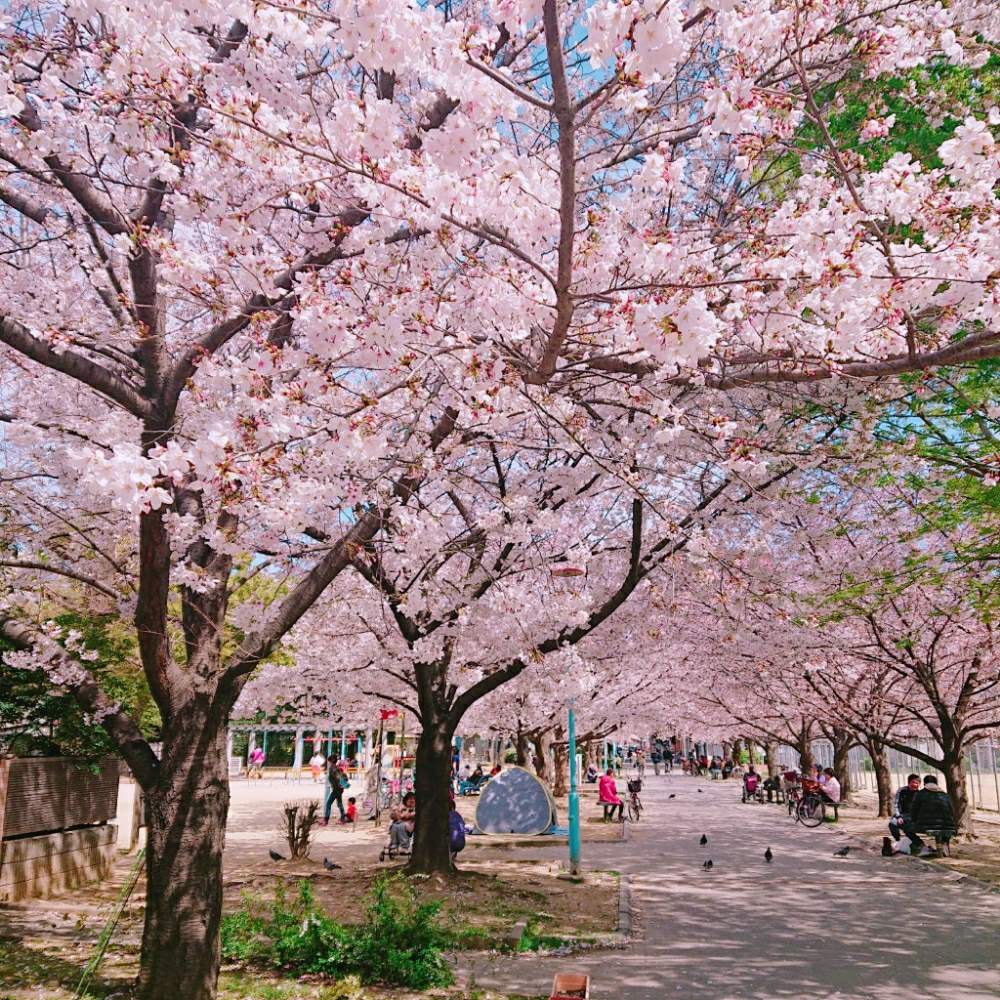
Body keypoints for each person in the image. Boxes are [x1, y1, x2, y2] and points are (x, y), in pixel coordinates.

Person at [908, 775, 956, 856]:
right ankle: (944, 845)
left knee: (907, 827)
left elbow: (914, 811)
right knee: (945, 826)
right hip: (948, 825)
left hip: (925, 826)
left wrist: (913, 821)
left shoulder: (920, 794)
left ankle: (921, 846)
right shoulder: (945, 795)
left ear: (924, 783)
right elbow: (952, 811)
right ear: (936, 783)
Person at [889, 774, 921, 843]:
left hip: (912, 817)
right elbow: (896, 804)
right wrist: (899, 816)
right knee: (892, 823)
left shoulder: (920, 794)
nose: (915, 784)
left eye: (917, 783)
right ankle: (898, 841)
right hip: (901, 815)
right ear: (908, 783)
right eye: (913, 782)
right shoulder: (901, 791)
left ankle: (918, 843)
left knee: (907, 827)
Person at [323, 760, 347, 825]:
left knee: (328, 804)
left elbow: (336, 779)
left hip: (336, 790)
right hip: (339, 790)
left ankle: (326, 820)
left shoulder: (334, 770)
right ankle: (343, 818)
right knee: (339, 804)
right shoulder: (337, 769)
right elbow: (345, 778)